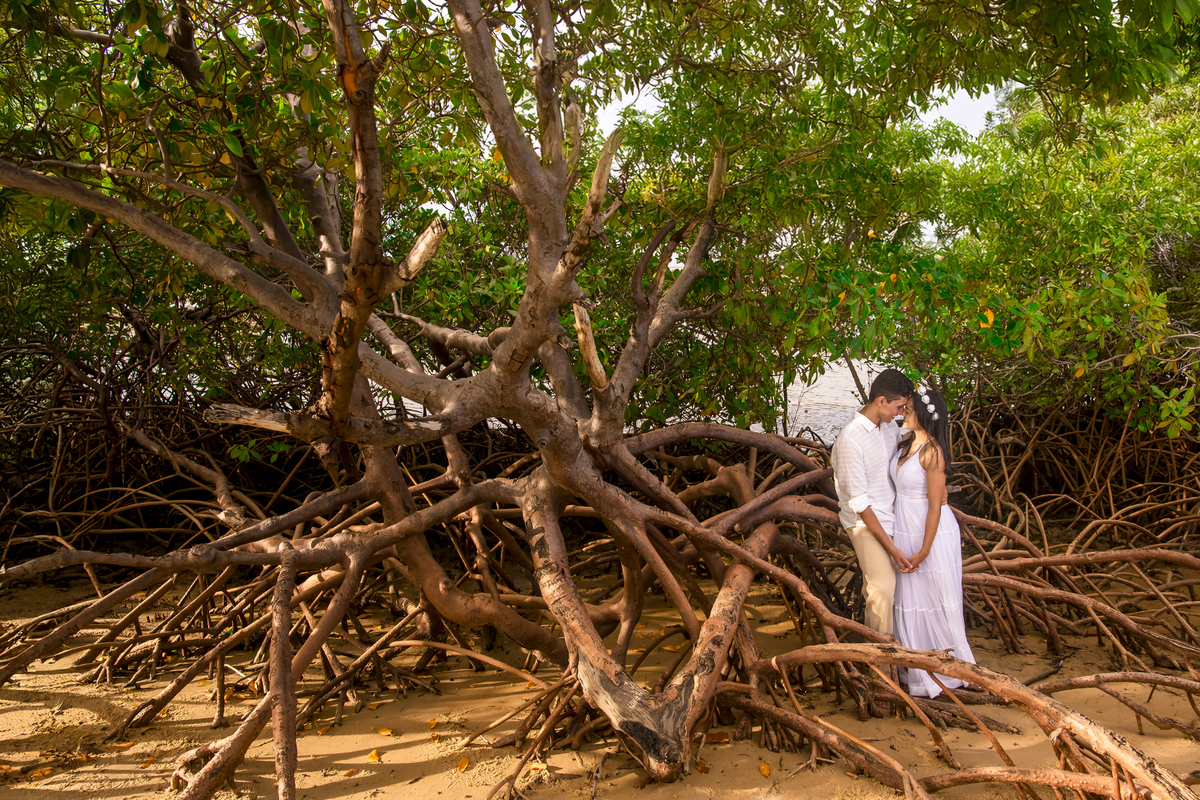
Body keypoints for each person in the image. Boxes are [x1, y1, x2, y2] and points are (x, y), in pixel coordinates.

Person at [891, 385, 976, 697]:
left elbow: (934, 507)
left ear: (924, 417)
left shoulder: (933, 453)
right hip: (904, 526)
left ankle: (948, 669)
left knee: (935, 599)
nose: (903, 414)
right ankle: (915, 668)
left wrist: (925, 550)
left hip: (931, 532)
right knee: (909, 599)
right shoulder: (904, 443)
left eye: (909, 411)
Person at [830, 369, 915, 636]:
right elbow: (860, 504)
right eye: (899, 406)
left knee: (907, 586)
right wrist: (891, 548)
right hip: (865, 523)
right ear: (881, 401)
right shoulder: (851, 440)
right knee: (882, 589)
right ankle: (878, 662)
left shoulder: (889, 427)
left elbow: (907, 460)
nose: (901, 412)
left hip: (893, 513)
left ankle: (899, 652)